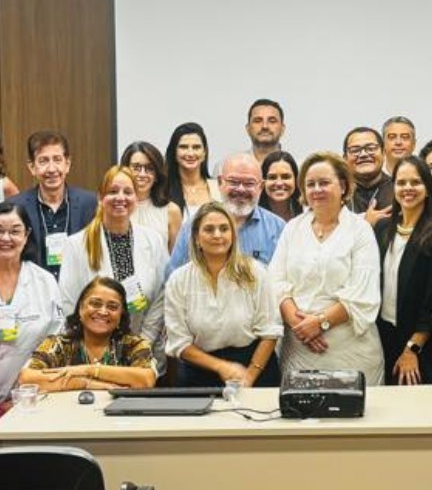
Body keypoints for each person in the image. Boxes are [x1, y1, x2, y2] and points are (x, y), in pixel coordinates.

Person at [272, 152, 385, 384]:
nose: (316, 189)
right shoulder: (292, 228)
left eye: (324, 183)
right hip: (299, 350)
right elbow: (275, 282)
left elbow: (363, 293)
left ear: (342, 186)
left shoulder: (360, 230)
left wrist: (320, 322)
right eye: (310, 184)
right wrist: (300, 326)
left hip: (351, 351)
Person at [164, 202, 282, 387]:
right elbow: (179, 342)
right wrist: (221, 367)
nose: (217, 235)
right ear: (196, 237)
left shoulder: (255, 273)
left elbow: (270, 332)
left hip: (255, 367)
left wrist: (249, 377)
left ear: (233, 235)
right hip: (199, 371)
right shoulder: (178, 280)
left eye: (224, 229)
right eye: (209, 229)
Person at [0, 203, 65, 399]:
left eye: (15, 231)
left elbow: (55, 340)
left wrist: (25, 390)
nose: (6, 238)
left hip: (30, 395)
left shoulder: (45, 281)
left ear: (26, 235)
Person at [58, 166, 170, 343]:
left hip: (143, 347)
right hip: (93, 349)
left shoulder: (153, 240)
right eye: (113, 191)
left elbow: (162, 295)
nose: (120, 197)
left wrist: (143, 341)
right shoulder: (76, 245)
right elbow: (69, 302)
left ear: (136, 198)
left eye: (128, 192)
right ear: (101, 198)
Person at [375, 156, 432, 385]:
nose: (408, 188)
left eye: (415, 182)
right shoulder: (383, 228)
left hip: (419, 344)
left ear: (427, 189)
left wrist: (412, 349)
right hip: (383, 335)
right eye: (401, 182)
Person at [22, 277, 160, 391]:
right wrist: (84, 383)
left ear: (121, 315)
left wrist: (90, 370)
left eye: (112, 307)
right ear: (81, 308)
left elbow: (146, 380)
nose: (103, 312)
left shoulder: (133, 345)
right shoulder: (58, 345)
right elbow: (26, 379)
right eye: (95, 304)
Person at [165, 152, 286, 273]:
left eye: (249, 183)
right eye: (233, 182)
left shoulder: (278, 229)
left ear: (261, 187)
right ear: (219, 182)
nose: (240, 189)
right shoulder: (194, 225)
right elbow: (173, 276)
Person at [7, 131, 98, 277]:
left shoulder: (90, 203)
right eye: (43, 161)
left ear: (67, 164)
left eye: (57, 160)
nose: (51, 169)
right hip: (35, 291)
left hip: (79, 291)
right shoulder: (16, 207)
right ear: (32, 167)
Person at [121, 142, 184, 246]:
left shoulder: (171, 211)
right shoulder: (115, 207)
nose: (142, 174)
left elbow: (176, 260)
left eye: (149, 168)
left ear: (157, 175)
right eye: (136, 168)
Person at [343, 127, 395, 225]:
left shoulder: (399, 189)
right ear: (345, 158)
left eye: (371, 148)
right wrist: (365, 224)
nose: (363, 154)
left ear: (383, 153)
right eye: (355, 150)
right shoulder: (337, 194)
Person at [166, 122, 219, 212]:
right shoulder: (163, 190)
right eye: (183, 147)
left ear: (204, 153)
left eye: (196, 147)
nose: (190, 153)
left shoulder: (217, 188)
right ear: (174, 152)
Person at [238, 98, 287, 167]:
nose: (265, 126)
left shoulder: (298, 169)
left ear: (282, 129)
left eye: (272, 121)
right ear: (248, 129)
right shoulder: (226, 167)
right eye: (257, 121)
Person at [260, 150, 303, 222]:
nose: (279, 183)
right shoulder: (252, 215)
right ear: (263, 182)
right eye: (272, 177)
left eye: (286, 177)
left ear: (296, 180)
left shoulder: (307, 213)